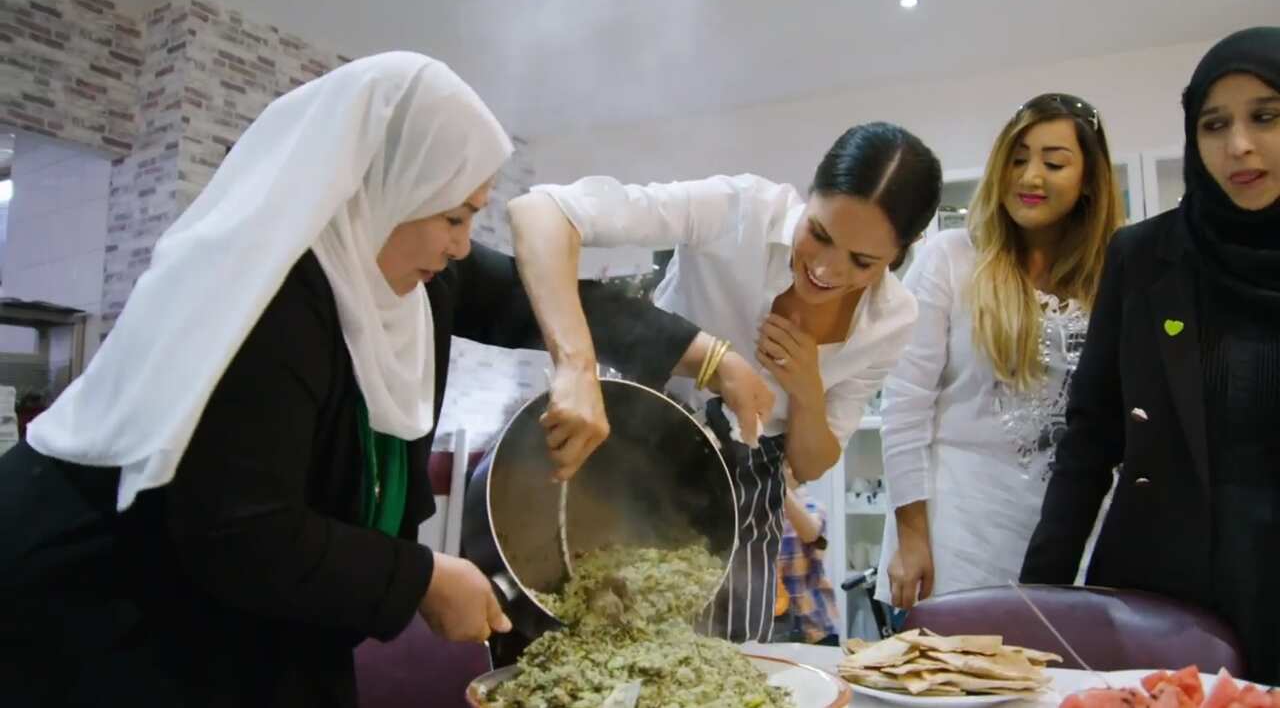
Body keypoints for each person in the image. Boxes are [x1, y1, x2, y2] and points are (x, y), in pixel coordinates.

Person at [0, 52, 744, 707]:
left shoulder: (412, 270)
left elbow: (538, 291)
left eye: (471, 217)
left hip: (258, 604)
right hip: (109, 607)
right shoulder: (268, 298)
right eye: (452, 217)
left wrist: (711, 359)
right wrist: (419, 578)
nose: (461, 246)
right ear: (380, 186)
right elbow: (241, 529)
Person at [507, 122, 943, 641]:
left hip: (747, 500)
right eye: (820, 234)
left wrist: (805, 387)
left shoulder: (893, 318)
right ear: (810, 194)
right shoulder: (738, 209)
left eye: (863, 261)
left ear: (903, 249)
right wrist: (575, 366)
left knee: (728, 669)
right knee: (597, 647)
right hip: (631, 456)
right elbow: (541, 212)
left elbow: (810, 462)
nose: (826, 269)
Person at [1020, 27, 1280, 684]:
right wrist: (1038, 599)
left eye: (1267, 117)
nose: (1239, 145)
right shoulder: (1143, 256)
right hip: (1159, 588)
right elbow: (1090, 438)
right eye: (1214, 123)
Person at [876, 93, 1123, 610]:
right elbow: (904, 408)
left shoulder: (1114, 275)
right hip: (957, 538)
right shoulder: (951, 258)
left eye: (1053, 162)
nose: (1030, 176)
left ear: (1089, 181)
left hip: (1074, 539)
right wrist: (911, 538)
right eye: (1017, 158)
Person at [775, 464, 841, 646]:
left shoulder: (813, 506)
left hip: (814, 627)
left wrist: (778, 487)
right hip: (778, 630)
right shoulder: (765, 515)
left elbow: (811, 532)